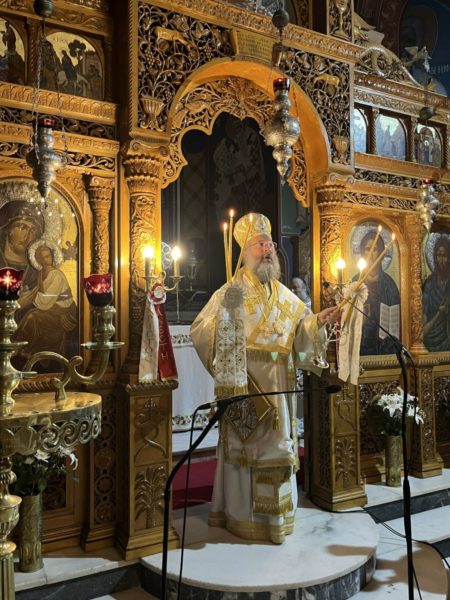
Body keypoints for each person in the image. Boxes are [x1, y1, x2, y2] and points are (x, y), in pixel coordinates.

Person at [191, 213, 338, 544]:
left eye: (270, 244)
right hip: (245, 386)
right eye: (260, 244)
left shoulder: (285, 295)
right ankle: (241, 517)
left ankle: (277, 520)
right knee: (245, 449)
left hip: (278, 387)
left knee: (276, 448)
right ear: (245, 251)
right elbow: (201, 329)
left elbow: (302, 330)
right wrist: (223, 322)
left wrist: (318, 322)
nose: (268, 249)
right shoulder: (231, 292)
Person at [15, 242, 77, 366]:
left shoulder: (56, 275)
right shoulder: (41, 273)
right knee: (25, 313)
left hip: (64, 312)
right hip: (52, 307)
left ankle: (20, 347)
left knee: (32, 316)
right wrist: (26, 293)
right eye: (42, 257)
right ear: (38, 259)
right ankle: (21, 347)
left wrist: (31, 297)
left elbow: (47, 299)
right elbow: (38, 291)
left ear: (52, 256)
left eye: (48, 256)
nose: (45, 260)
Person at [355, 230, 400, 355]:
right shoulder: (354, 283)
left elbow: (395, 324)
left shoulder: (390, 285)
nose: (370, 254)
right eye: (367, 249)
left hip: (384, 348)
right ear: (362, 252)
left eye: (374, 249)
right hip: (361, 346)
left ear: (381, 253)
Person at [0, 200, 44, 293]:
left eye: (32, 231)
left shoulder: (37, 271)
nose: (26, 236)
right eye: (22, 227)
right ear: (8, 230)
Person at [422, 237, 450, 352]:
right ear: (434, 257)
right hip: (431, 338)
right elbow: (424, 314)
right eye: (439, 255)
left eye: (445, 256)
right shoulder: (429, 284)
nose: (441, 260)